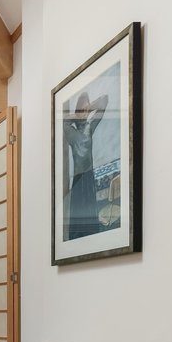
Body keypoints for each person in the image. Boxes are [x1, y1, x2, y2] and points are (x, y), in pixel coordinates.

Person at [64, 90, 109, 240]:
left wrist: (90, 107)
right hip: (77, 178)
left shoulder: (89, 128)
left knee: (90, 213)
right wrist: (77, 115)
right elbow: (64, 121)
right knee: (77, 214)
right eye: (81, 109)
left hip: (89, 176)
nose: (85, 113)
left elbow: (104, 100)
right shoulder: (71, 133)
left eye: (87, 109)